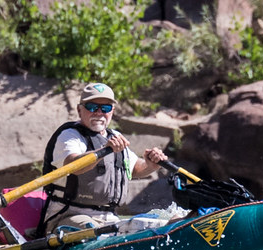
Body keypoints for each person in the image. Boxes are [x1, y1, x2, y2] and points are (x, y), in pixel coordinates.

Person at [39, 82, 170, 234]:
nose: (99, 113)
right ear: (80, 110)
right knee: (99, 232)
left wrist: (151, 164)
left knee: (155, 225)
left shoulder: (115, 137)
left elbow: (135, 168)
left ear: (112, 111)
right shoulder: (70, 135)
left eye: (105, 108)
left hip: (109, 217)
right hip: (69, 215)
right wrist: (104, 150)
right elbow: (74, 165)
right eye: (92, 107)